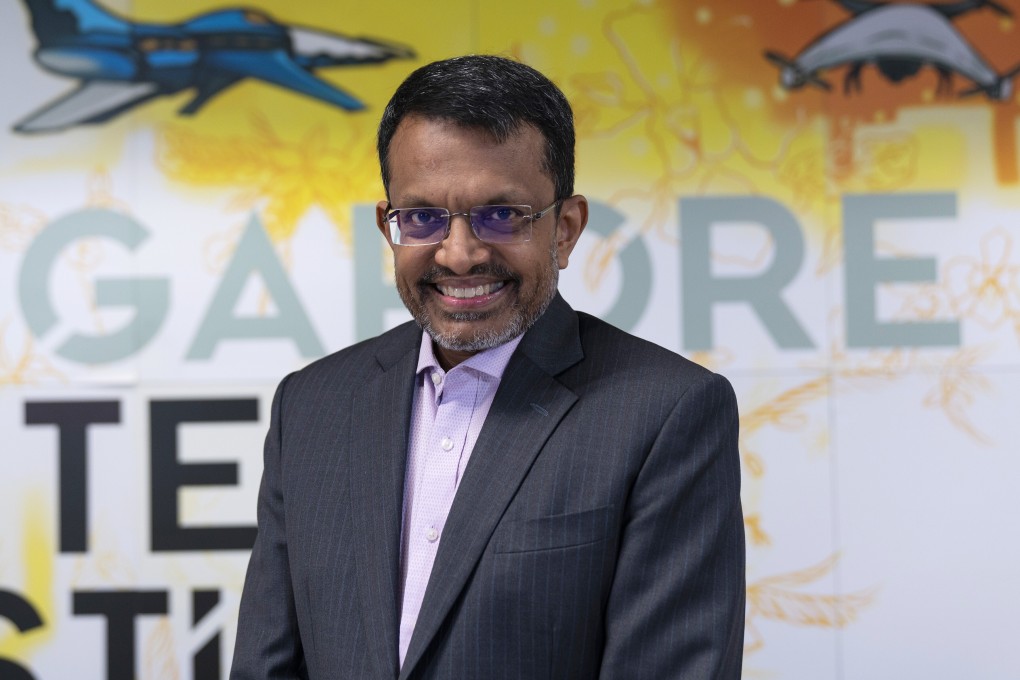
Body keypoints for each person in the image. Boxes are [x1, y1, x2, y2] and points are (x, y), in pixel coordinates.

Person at [230, 54, 745, 680]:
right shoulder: (310, 406)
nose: (460, 253)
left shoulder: (665, 414)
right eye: (422, 217)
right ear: (387, 227)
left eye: (500, 215)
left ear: (566, 228)